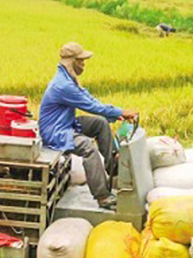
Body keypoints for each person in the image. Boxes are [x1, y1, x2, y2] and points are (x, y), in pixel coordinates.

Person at [38, 42, 138, 210]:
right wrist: (120, 111)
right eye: (81, 61)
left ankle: (113, 167)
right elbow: (90, 106)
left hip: (67, 123)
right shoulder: (63, 85)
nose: (84, 65)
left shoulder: (69, 79)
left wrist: (116, 113)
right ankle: (102, 196)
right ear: (71, 62)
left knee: (100, 123)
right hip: (56, 131)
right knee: (87, 147)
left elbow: (90, 100)